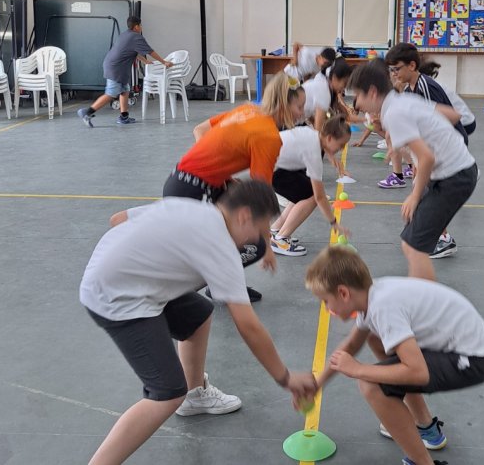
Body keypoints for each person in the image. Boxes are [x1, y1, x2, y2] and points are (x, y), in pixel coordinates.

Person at [80, 180, 317, 465]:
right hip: (118, 299)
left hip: (110, 276)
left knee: (197, 314)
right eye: (260, 228)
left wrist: (144, 260)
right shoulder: (221, 247)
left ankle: (194, 396)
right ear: (244, 216)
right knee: (166, 394)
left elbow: (118, 219)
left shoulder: (193, 208)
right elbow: (248, 326)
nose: (257, 239)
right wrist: (286, 378)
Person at [109, 72, 306, 302]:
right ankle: (181, 288)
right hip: (196, 191)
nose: (302, 113)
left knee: (206, 233)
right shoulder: (269, 137)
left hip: (180, 179)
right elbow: (260, 198)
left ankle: (134, 224)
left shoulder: (248, 110)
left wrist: (216, 170)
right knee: (254, 245)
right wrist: (268, 247)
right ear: (284, 105)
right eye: (299, 107)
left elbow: (200, 130)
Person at [305, 246, 484, 465]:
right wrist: (317, 384)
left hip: (474, 359)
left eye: (325, 301)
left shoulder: (383, 308)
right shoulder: (372, 294)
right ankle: (425, 427)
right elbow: (350, 345)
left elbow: (417, 373)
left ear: (343, 293)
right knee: (375, 338)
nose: (326, 307)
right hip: (468, 346)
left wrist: (358, 369)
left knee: (371, 385)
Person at [349, 58, 478, 281]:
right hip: (457, 170)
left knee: (413, 247)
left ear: (372, 92)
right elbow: (453, 115)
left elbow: (426, 157)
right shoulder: (403, 99)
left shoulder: (394, 113)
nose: (357, 104)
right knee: (410, 242)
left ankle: (424, 299)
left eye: (358, 96)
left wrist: (415, 196)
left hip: (454, 177)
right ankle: (421, 294)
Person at [381, 43, 474, 259]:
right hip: (435, 150)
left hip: (449, 149)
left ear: (412, 66)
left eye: (397, 69)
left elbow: (443, 120)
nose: (394, 74)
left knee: (431, 194)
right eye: (391, 70)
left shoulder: (425, 87)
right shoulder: (410, 89)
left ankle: (443, 238)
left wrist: (423, 159)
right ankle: (435, 235)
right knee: (426, 190)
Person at [269, 115, 352, 257]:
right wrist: (334, 223)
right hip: (271, 169)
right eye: (341, 145)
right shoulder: (313, 151)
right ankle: (280, 240)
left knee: (304, 190)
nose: (342, 148)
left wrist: (331, 154)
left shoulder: (313, 134)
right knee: (312, 195)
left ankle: (276, 230)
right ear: (330, 138)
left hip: (274, 165)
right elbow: (319, 197)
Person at [78, 15, 171, 127]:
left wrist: (145, 61)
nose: (141, 27)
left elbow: (134, 51)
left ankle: (124, 117)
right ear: (136, 26)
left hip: (115, 66)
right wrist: (163, 62)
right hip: (116, 68)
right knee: (111, 93)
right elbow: (150, 51)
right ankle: (87, 112)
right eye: (140, 25)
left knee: (124, 90)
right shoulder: (136, 37)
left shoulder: (125, 35)